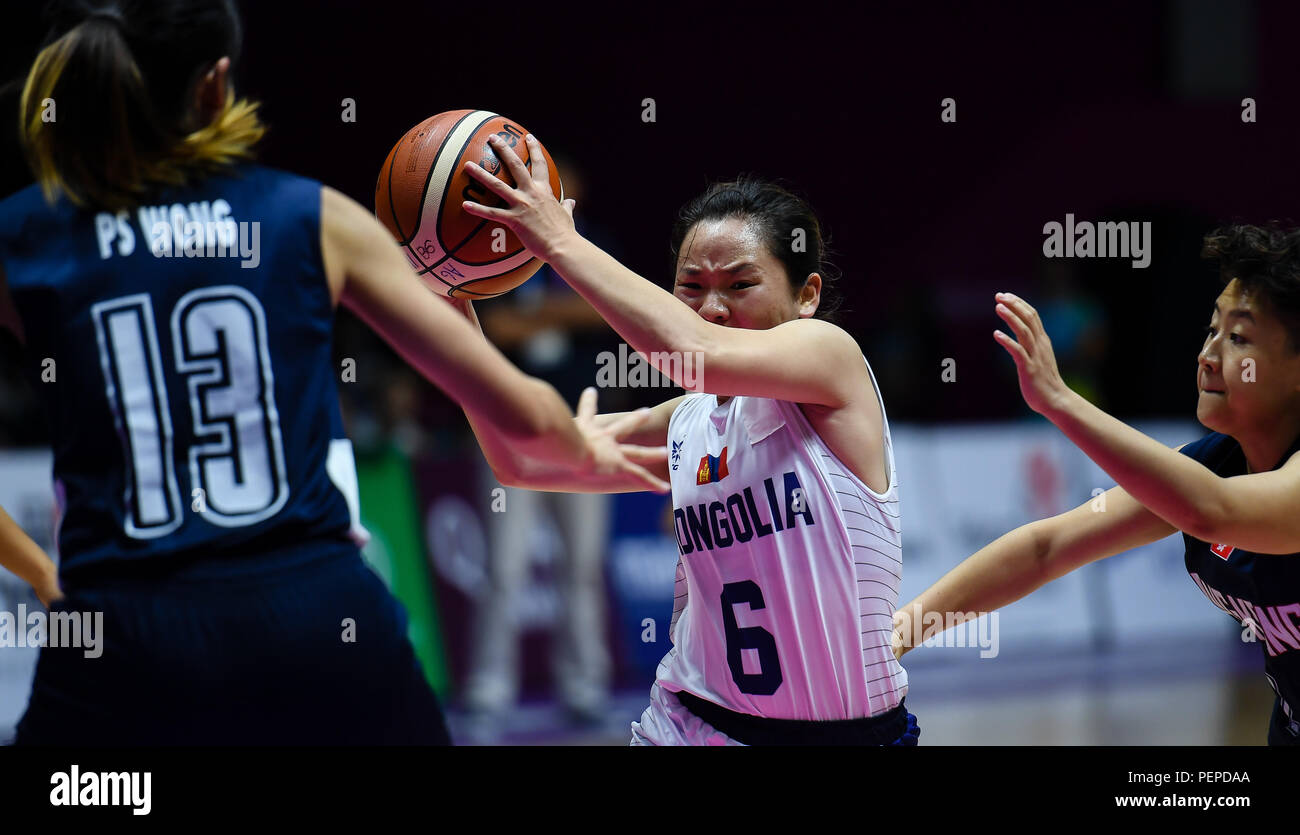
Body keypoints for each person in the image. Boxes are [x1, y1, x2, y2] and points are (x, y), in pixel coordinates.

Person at [0, 0, 664, 746]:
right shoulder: (310, 215)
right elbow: (523, 414)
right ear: (217, 85)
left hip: (119, 630)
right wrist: (581, 444)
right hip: (312, 614)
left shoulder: (23, 229)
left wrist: (42, 573)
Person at [448, 133, 920, 745]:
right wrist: (451, 301)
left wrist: (560, 244)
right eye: (691, 287)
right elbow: (517, 461)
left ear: (807, 295)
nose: (711, 308)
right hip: (691, 725)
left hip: (852, 733)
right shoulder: (686, 422)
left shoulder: (833, 360)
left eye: (739, 285)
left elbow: (695, 353)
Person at [893, 223, 1300, 746]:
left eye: (1238, 337)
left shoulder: (1217, 494)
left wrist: (1059, 401)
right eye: (1211, 330)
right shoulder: (1210, 467)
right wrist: (899, 632)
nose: (1208, 355)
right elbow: (1047, 547)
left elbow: (1211, 512)